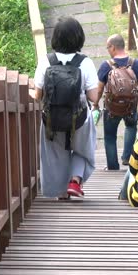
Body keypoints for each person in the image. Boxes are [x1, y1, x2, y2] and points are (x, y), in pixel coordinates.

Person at [34, 16, 99, 199]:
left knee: (55, 154)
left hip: (52, 119)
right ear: (79, 37)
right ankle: (75, 180)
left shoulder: (45, 61)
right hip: (78, 119)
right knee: (83, 149)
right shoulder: (85, 62)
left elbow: (38, 95)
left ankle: (61, 192)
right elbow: (94, 96)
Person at [95, 34, 138, 170]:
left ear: (113, 47)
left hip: (112, 108)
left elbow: (99, 89)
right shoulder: (137, 64)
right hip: (130, 107)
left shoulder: (106, 66)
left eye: (108, 47)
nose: (108, 50)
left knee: (110, 136)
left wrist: (95, 104)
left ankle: (112, 166)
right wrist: (133, 98)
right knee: (131, 127)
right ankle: (127, 158)